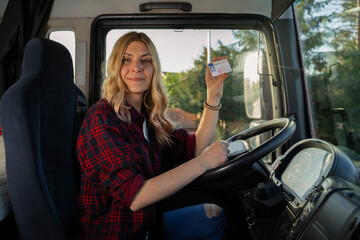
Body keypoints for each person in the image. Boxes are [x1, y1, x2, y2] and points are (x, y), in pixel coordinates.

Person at [76, 31, 229, 240]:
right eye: (126, 60)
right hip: (119, 235)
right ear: (115, 67)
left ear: (153, 69)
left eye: (145, 61)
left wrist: (213, 95)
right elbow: (135, 196)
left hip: (150, 228)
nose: (136, 67)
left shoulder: (147, 118)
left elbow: (196, 147)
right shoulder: (102, 118)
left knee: (214, 216)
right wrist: (203, 163)